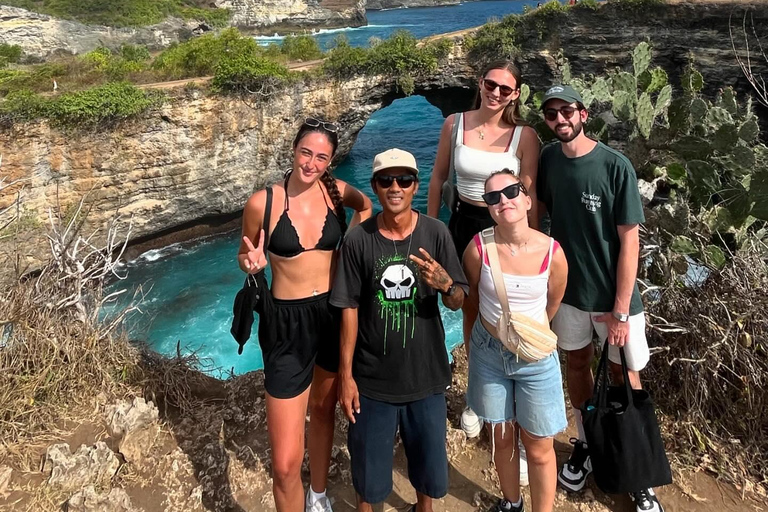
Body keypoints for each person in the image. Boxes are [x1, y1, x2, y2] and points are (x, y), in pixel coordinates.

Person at [537, 85, 664, 512]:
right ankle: (589, 441)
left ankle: (637, 470)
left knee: (624, 378)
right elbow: (545, 220)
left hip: (614, 301)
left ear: (584, 114)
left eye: (567, 111)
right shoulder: (549, 160)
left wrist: (622, 309)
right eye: (551, 113)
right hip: (570, 296)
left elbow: (631, 242)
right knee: (576, 365)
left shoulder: (615, 166)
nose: (560, 119)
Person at [238, 118, 372, 512]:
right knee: (283, 464)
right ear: (294, 151)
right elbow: (244, 252)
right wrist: (251, 264)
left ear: (330, 162)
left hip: (332, 314)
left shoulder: (336, 194)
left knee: (323, 409)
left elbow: (365, 205)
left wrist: (351, 248)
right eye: (305, 153)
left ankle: (317, 494)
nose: (311, 163)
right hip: (286, 325)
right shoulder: (263, 202)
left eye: (321, 157)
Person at [330, 148, 468, 512]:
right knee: (368, 482)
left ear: (415, 185)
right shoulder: (359, 240)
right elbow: (348, 308)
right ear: (374, 186)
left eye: (404, 179)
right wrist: (346, 376)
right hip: (372, 382)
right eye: (386, 180)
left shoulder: (436, 233)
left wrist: (446, 284)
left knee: (428, 480)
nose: (396, 187)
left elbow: (458, 300)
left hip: (425, 376)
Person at [463, 170, 568, 512]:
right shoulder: (478, 250)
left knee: (538, 447)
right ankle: (512, 503)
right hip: (489, 352)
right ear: (489, 208)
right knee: (502, 438)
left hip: (534, 358)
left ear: (526, 199)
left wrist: (525, 337)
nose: (503, 200)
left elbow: (552, 304)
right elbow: (473, 300)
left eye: (510, 191)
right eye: (493, 197)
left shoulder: (553, 254)